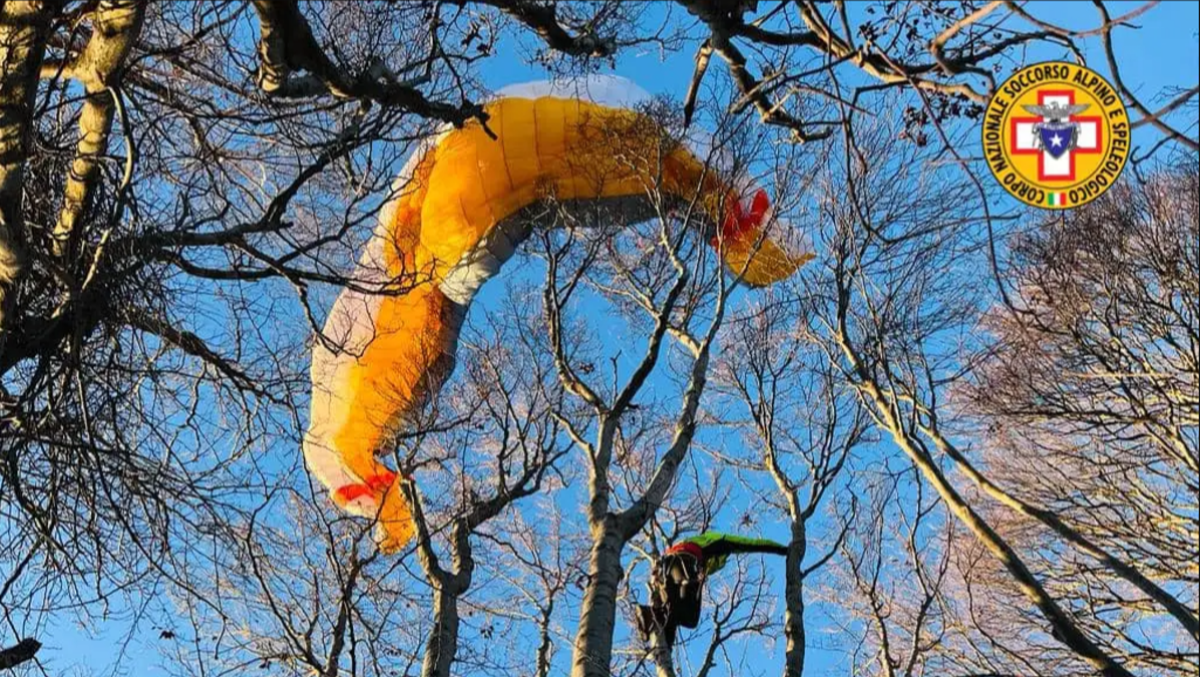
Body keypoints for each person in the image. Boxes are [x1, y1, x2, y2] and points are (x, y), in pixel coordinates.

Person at [636, 531, 789, 648]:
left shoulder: (694, 542)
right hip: (684, 562)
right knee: (691, 618)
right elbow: (751, 543)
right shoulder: (719, 541)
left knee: (672, 617)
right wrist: (782, 550)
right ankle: (650, 614)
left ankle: (662, 649)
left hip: (667, 569)